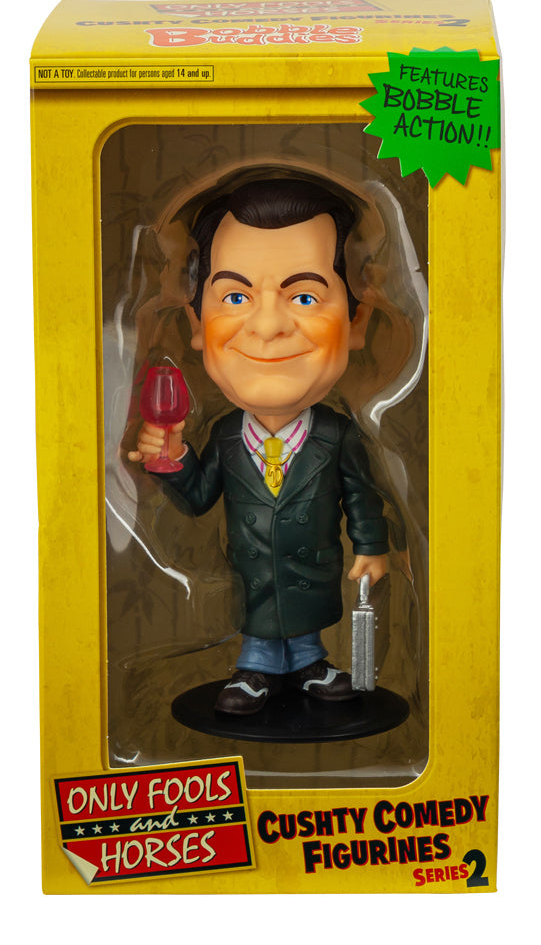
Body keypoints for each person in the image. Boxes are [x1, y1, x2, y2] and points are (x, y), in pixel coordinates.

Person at [128, 177, 389, 715]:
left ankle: (310, 662)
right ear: (197, 321)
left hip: (313, 573)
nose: (268, 325)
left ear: (355, 320)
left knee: (304, 617)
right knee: (262, 618)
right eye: (236, 297)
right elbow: (199, 496)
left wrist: (371, 547)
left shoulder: (337, 435)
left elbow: (363, 497)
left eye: (305, 297)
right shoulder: (226, 436)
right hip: (251, 580)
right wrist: (170, 458)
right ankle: (256, 668)